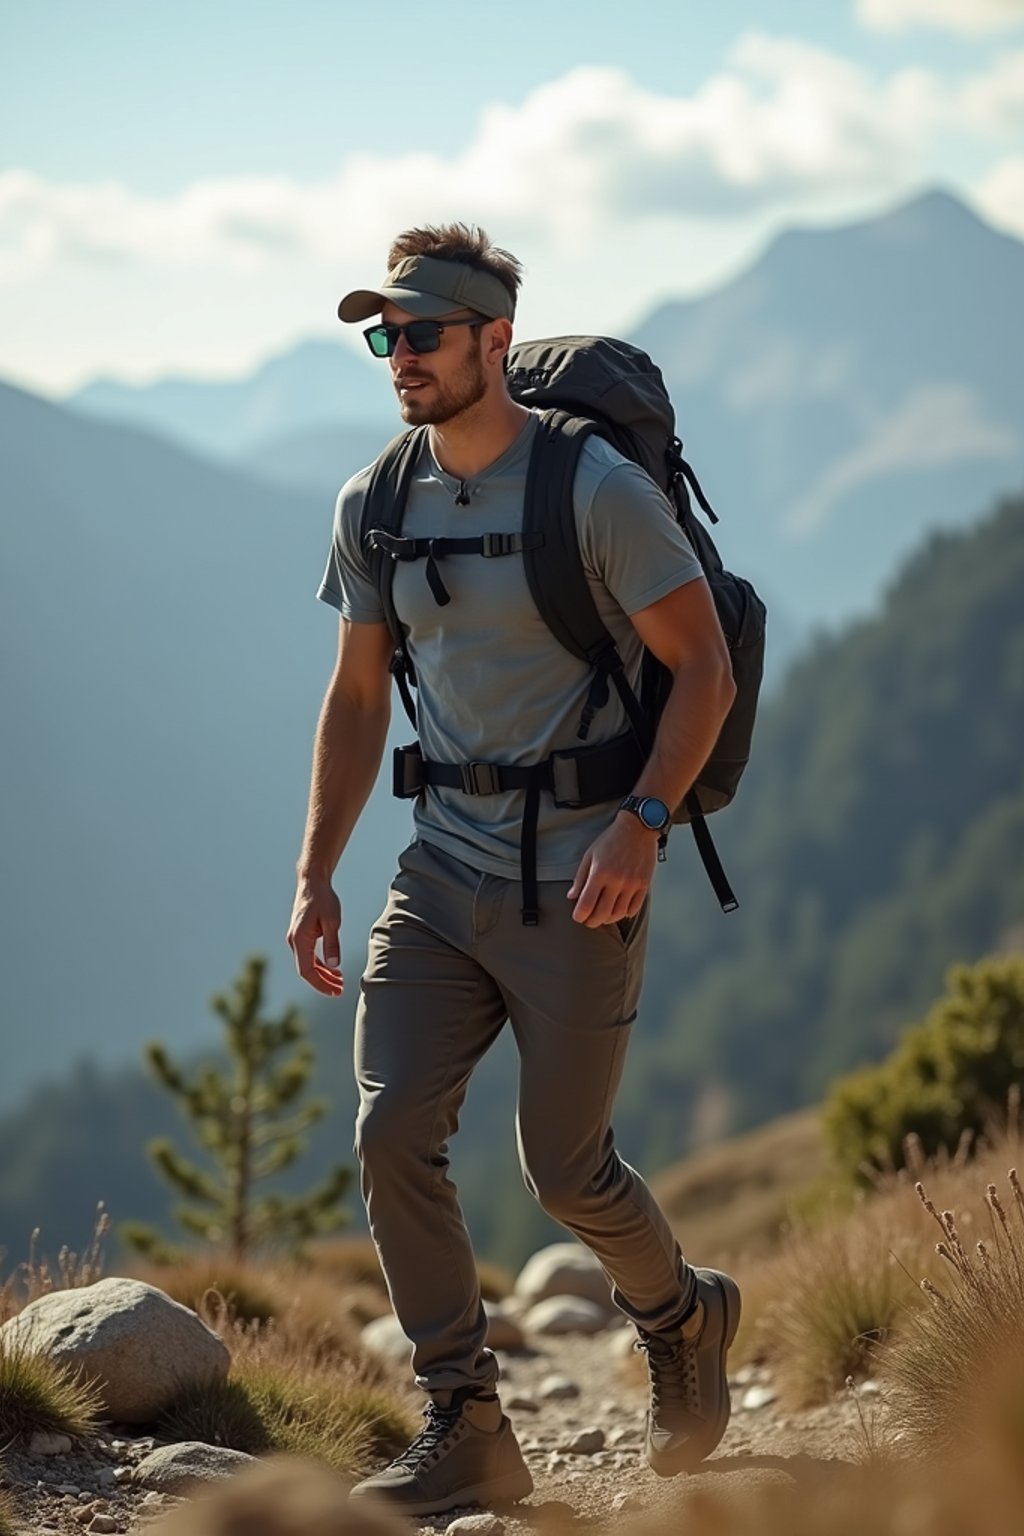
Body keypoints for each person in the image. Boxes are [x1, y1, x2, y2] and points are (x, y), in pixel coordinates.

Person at [286, 223, 740, 1517]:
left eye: (422, 332)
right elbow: (359, 700)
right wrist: (316, 871)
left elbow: (701, 665)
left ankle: (683, 1318)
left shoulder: (594, 491)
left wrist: (645, 820)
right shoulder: (374, 501)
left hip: (584, 870)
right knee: (389, 1132)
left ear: (494, 338)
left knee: (566, 1169)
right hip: (439, 874)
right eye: (384, 336)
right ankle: (467, 1420)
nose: (399, 357)